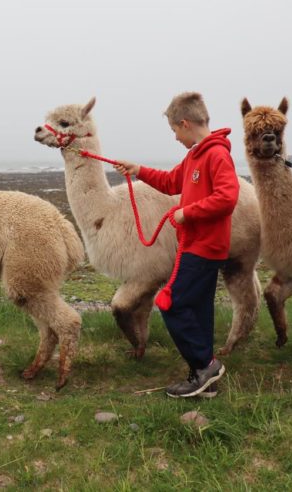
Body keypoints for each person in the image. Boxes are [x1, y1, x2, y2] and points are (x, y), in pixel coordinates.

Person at [114, 92, 239, 398]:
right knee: (197, 310)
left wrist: (187, 212)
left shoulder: (216, 154)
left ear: (184, 123)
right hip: (195, 244)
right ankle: (204, 380)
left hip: (205, 246)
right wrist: (138, 170)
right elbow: (172, 182)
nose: (174, 137)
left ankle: (205, 364)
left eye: (174, 130)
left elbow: (228, 197)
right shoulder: (195, 155)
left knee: (170, 303)